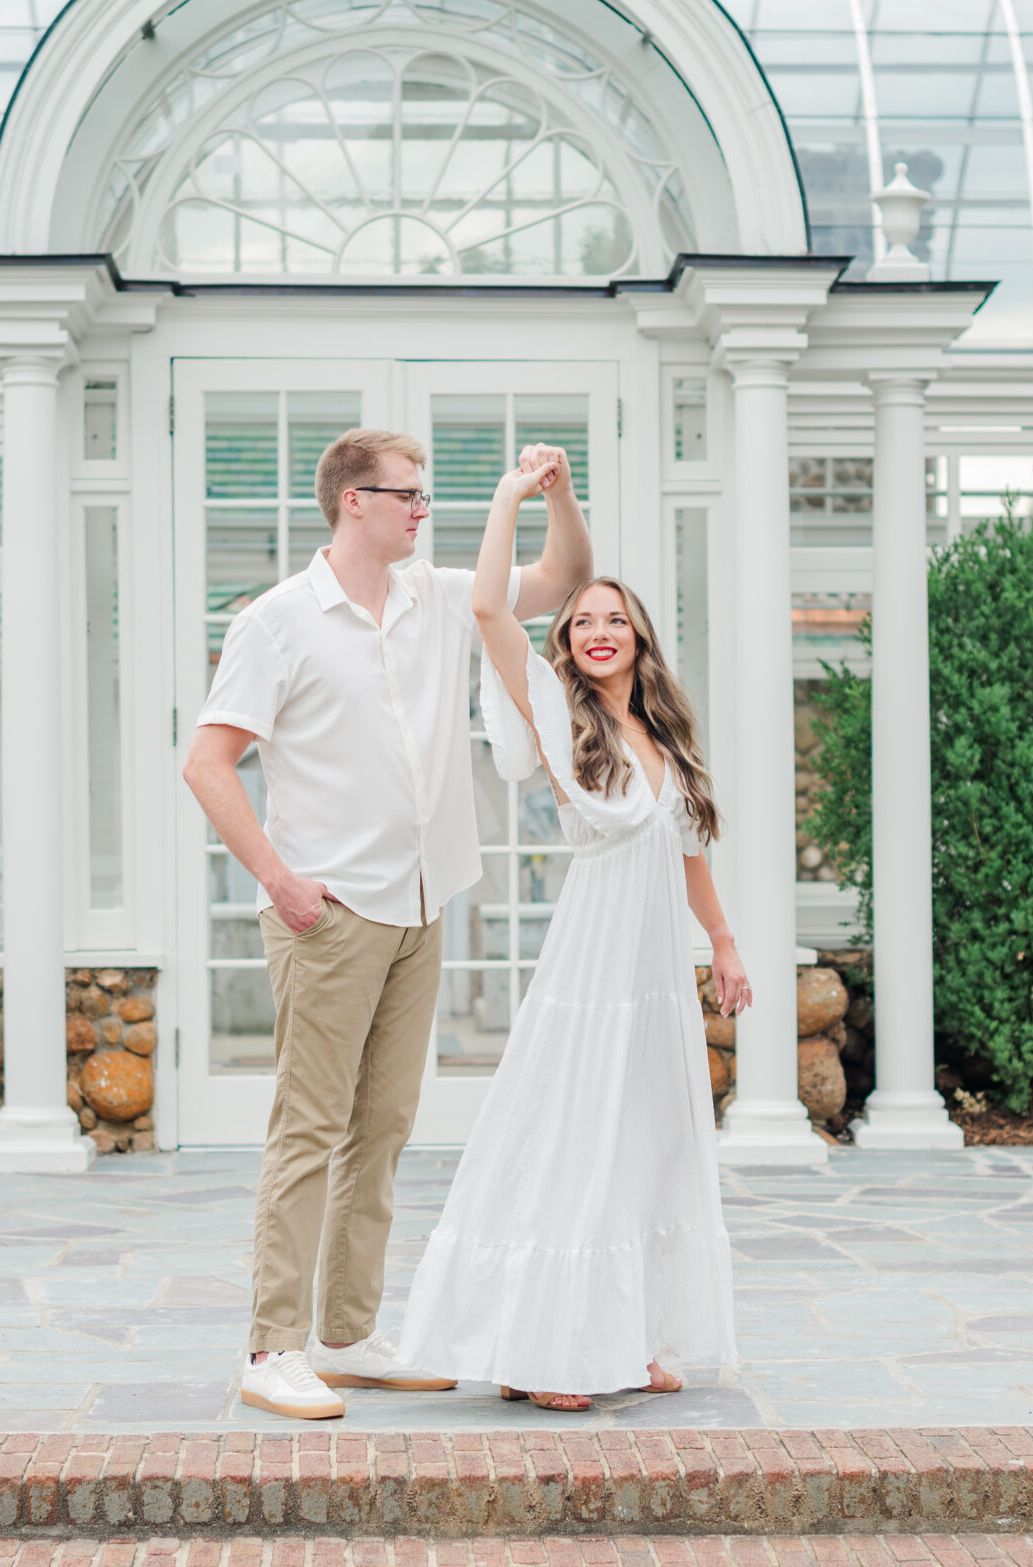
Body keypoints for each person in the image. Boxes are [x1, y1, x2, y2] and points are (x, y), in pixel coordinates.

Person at [182, 427, 592, 1421]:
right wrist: (279, 881)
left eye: (424, 495)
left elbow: (566, 575)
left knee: (383, 1127)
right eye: (404, 494)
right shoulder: (277, 621)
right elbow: (206, 761)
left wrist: (558, 493)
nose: (421, 509)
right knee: (309, 1127)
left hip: (421, 897)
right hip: (330, 909)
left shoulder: (441, 596)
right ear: (351, 501)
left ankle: (347, 1333)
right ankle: (271, 1343)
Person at [395, 453, 748, 1411]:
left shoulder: (664, 734)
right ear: (568, 643)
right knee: (573, 1136)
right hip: (592, 958)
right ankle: (535, 1346)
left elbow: (686, 855)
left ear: (639, 637)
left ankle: (623, 1338)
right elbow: (485, 611)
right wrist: (516, 495)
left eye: (613, 618)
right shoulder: (558, 708)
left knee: (645, 1142)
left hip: (655, 972)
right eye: (580, 621)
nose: (597, 632)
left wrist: (721, 941)